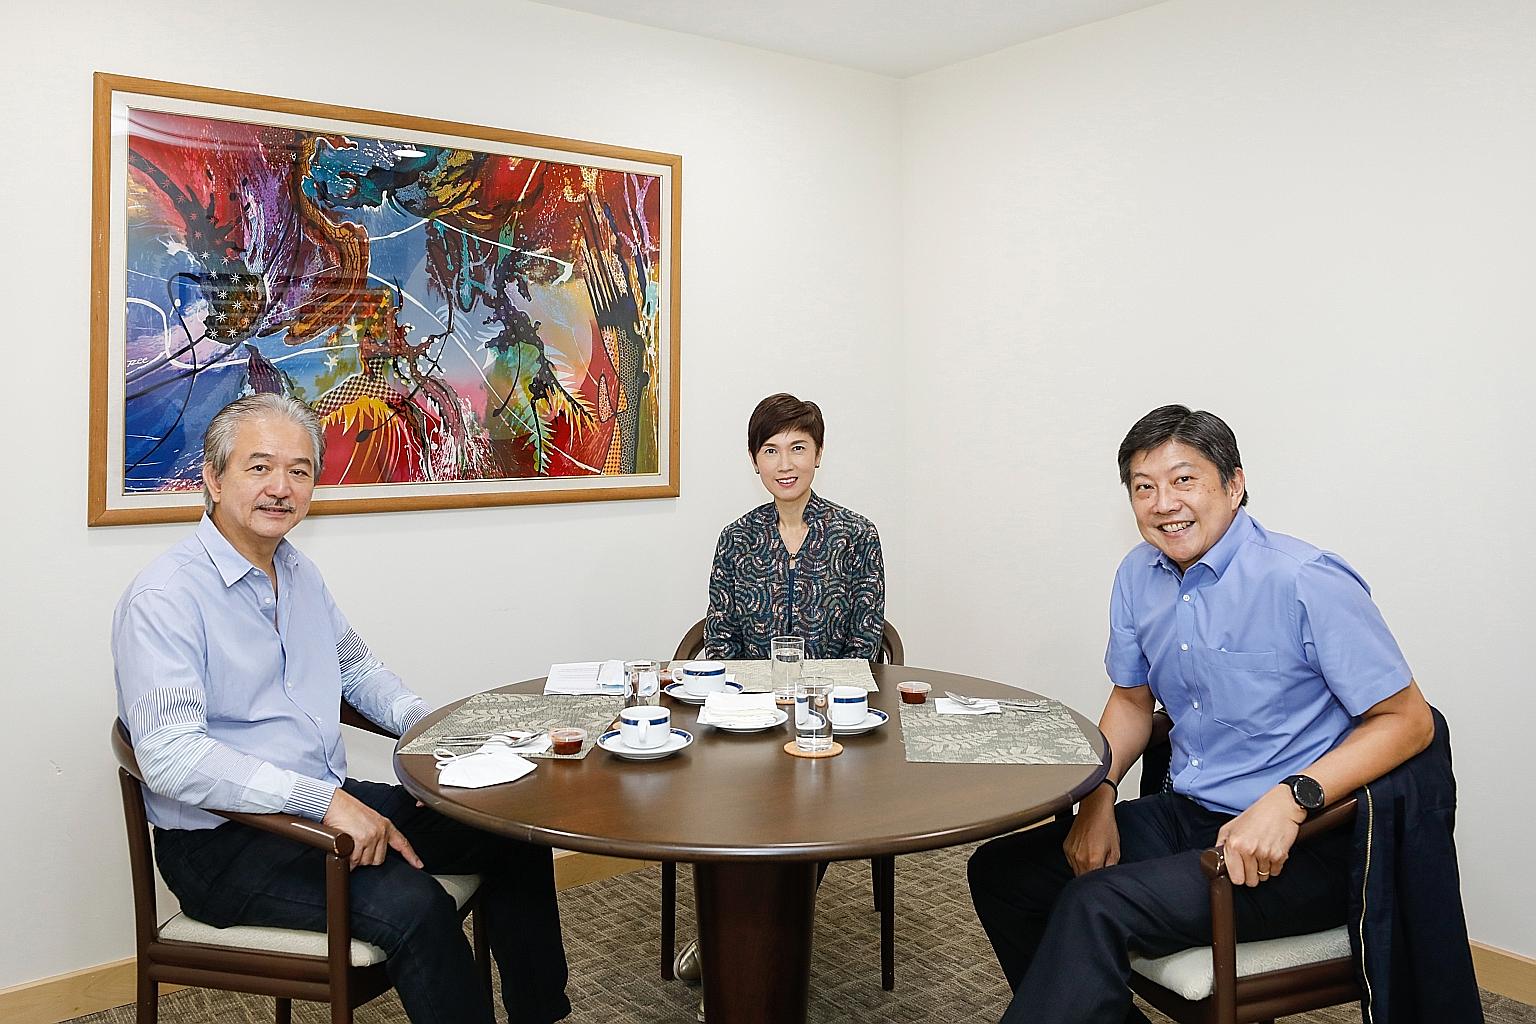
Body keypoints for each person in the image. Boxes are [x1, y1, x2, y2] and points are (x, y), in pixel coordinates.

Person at [967, 404, 1436, 1024]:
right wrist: (1099, 798)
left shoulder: (1305, 581)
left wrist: (1289, 800)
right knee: (1003, 873)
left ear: (1234, 484)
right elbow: (1133, 701)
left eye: (1184, 480)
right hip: (1191, 812)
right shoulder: (1139, 575)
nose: (1164, 503)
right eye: (1144, 487)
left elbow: (1410, 721)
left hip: (1302, 842)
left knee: (1094, 903)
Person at [112, 394, 570, 1024]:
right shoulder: (164, 598)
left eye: (299, 471)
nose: (281, 487)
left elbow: (354, 667)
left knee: (508, 828)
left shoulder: (296, 571)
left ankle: (541, 1014)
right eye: (260, 467)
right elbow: (170, 757)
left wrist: (429, 728)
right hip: (223, 843)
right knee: (417, 909)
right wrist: (325, 804)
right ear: (213, 480)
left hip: (316, 798)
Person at [703, 392, 886, 659]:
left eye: (798, 448)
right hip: (751, 698)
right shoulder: (736, 538)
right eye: (770, 451)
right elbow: (721, 642)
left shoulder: (856, 535)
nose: (785, 465)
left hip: (833, 696)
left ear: (818, 453)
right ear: (754, 460)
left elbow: (864, 644)